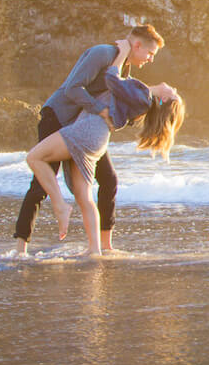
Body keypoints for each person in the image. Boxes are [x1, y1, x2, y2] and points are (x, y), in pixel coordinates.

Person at [13, 25, 163, 252]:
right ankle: (20, 247)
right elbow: (72, 89)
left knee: (109, 180)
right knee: (40, 184)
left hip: (82, 126)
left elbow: (120, 110)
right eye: (151, 54)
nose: (151, 60)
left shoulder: (122, 70)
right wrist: (101, 110)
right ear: (138, 45)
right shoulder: (102, 53)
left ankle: (105, 246)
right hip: (58, 117)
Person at [22, 74, 186, 254]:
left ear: (163, 99)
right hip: (97, 139)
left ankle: (60, 206)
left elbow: (112, 78)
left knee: (34, 158)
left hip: (87, 132)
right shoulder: (140, 95)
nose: (174, 88)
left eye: (174, 94)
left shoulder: (142, 95)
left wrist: (123, 51)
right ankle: (94, 250)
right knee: (85, 197)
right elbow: (123, 81)